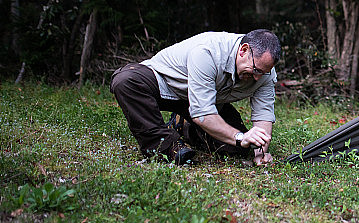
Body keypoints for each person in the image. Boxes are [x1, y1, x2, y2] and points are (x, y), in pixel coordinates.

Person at [110, 29, 281, 166]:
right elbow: (203, 114)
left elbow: (263, 116)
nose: (258, 78)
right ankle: (165, 144)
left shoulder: (264, 72)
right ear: (243, 50)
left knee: (236, 149)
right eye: (256, 70)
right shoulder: (207, 52)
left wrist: (261, 152)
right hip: (166, 83)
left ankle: (184, 126)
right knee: (125, 81)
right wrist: (240, 137)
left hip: (204, 100)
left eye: (264, 73)